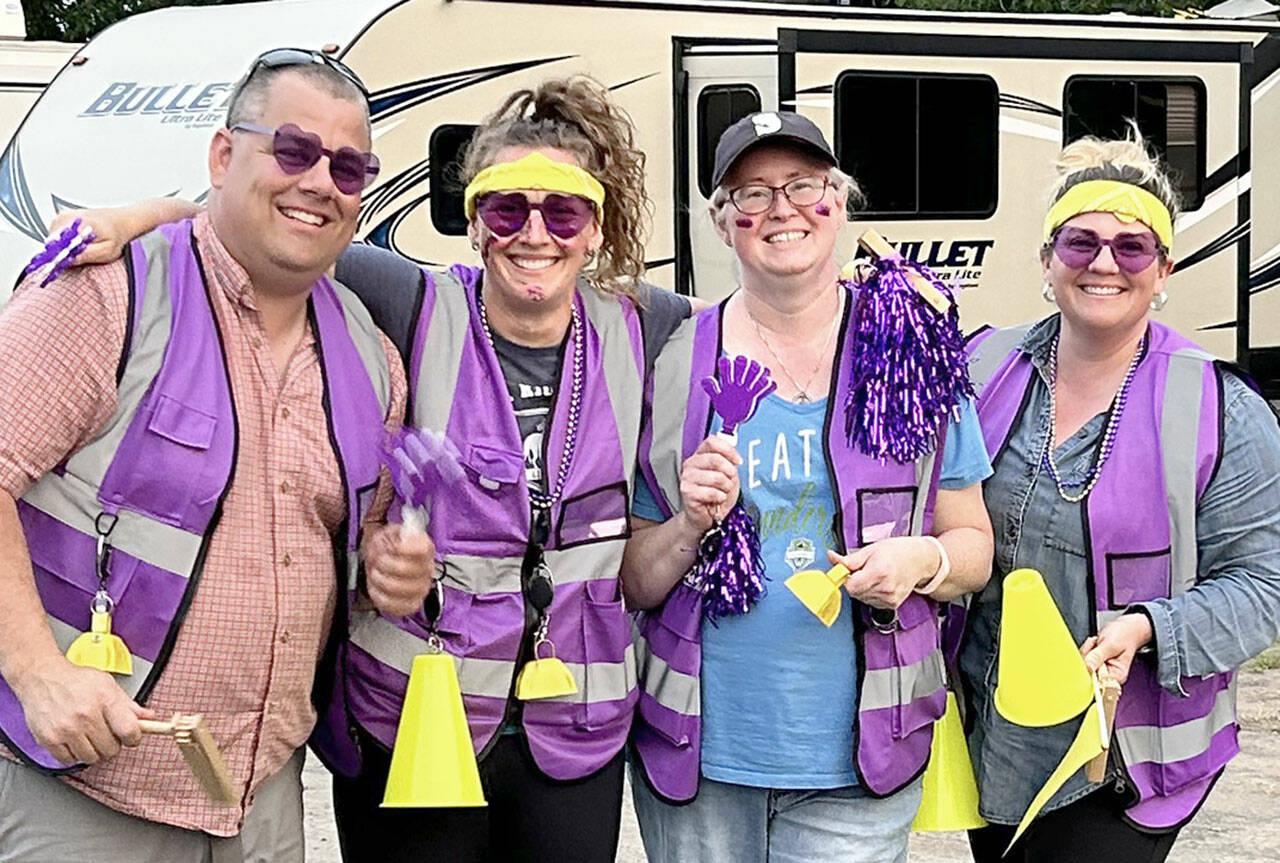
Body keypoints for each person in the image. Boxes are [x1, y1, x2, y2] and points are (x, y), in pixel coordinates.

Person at [0, 49, 429, 861]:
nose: (318, 183)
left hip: (257, 804)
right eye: (293, 150)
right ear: (223, 155)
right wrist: (35, 670)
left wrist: (388, 564)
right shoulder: (108, 294)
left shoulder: (372, 355)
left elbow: (354, 536)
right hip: (81, 793)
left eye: (347, 165)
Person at [622, 110, 995, 863]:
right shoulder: (671, 360)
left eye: (803, 185)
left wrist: (921, 561)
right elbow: (634, 576)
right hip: (698, 754)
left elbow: (975, 546)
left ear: (840, 202)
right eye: (752, 194)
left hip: (862, 760)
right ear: (724, 224)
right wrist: (689, 522)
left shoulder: (910, 352)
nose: (781, 209)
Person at [961, 134, 1280, 862]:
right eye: (1081, 242)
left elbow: (1267, 582)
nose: (1104, 262)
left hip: (1127, 765)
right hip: (995, 737)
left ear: (1163, 270)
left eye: (1132, 247)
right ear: (1047, 260)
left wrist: (1149, 626)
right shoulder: (982, 366)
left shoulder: (1219, 406)